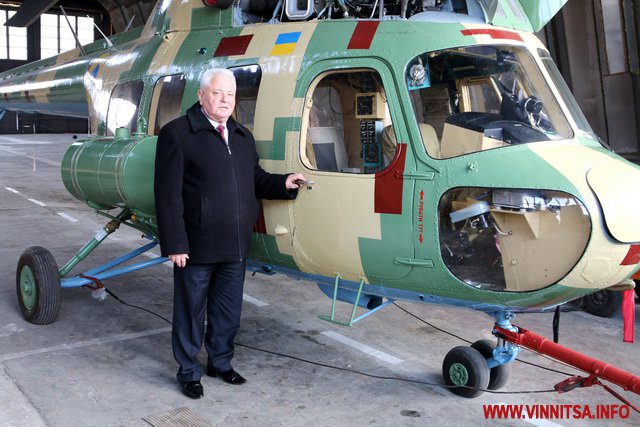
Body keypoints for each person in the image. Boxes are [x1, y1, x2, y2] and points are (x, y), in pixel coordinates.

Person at [154, 68, 306, 399]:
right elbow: (167, 194)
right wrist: (175, 243)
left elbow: (254, 178)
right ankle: (189, 371)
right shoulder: (177, 134)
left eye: (231, 94)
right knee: (190, 313)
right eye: (218, 93)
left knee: (227, 313)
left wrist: (282, 183)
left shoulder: (241, 136)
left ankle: (220, 363)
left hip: (235, 244)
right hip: (195, 247)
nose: (225, 100)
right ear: (201, 96)